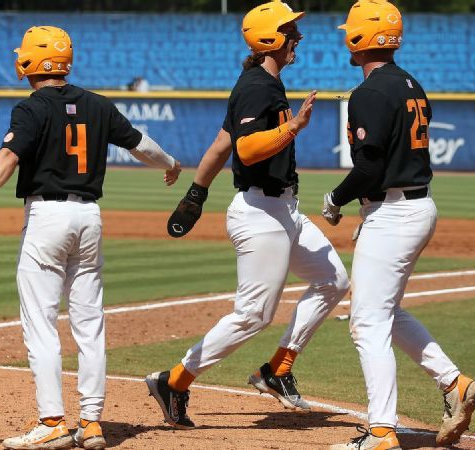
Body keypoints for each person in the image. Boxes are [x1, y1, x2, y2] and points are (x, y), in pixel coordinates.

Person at [0, 26, 181, 450]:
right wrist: (172, 163)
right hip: (89, 216)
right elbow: (141, 145)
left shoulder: (31, 108)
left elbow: (9, 155)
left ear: (30, 62)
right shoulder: (97, 104)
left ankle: (53, 421)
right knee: (89, 326)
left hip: (47, 217)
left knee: (41, 325)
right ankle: (91, 424)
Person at [147, 0, 350, 429]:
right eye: (290, 31)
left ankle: (277, 369)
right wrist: (293, 127)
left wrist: (196, 193)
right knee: (253, 314)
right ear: (270, 39)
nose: (298, 37)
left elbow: (222, 143)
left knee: (333, 280)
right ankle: (175, 382)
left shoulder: (260, 84)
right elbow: (245, 148)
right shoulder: (258, 87)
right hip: (261, 212)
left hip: (283, 209)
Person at [322, 2, 475, 449]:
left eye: (349, 32)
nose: (344, 38)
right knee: (386, 311)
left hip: (392, 211)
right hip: (416, 207)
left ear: (359, 39)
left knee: (366, 322)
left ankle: (380, 432)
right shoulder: (411, 83)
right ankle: (454, 383)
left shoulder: (370, 93)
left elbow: (370, 168)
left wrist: (336, 198)